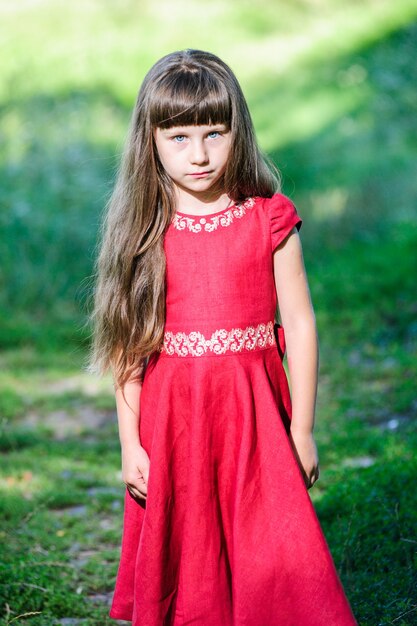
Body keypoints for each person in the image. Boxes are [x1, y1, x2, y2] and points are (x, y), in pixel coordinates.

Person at [89, 48, 358, 626]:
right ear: (151, 141)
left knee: (273, 544)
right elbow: (130, 345)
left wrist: (303, 428)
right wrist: (129, 442)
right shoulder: (145, 233)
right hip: (176, 422)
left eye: (215, 133)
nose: (201, 154)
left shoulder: (268, 218)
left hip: (256, 416)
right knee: (194, 552)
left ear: (239, 129)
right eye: (179, 137)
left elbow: (302, 322)